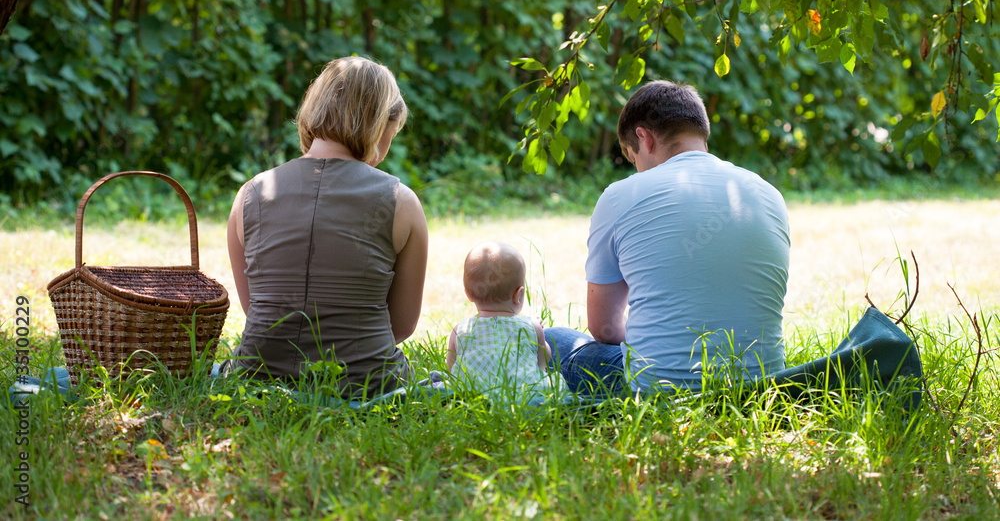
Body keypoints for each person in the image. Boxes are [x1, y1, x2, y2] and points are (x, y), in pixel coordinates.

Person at [545, 80, 790, 395]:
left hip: (655, 389)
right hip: (761, 389)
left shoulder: (620, 196)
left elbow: (603, 328)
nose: (638, 172)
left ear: (643, 138)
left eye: (634, 160)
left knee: (553, 338)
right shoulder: (769, 194)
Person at [226, 56, 428, 399]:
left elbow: (258, 309)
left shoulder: (250, 194)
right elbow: (403, 325)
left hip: (259, 374)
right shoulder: (401, 201)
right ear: (381, 125)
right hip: (367, 382)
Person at [446, 242, 552, 398]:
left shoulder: (460, 330)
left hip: (474, 397)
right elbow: (543, 361)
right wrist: (538, 331)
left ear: (468, 294)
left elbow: (452, 370)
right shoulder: (530, 327)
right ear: (519, 294)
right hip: (524, 398)